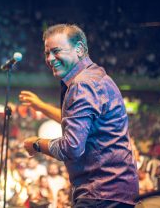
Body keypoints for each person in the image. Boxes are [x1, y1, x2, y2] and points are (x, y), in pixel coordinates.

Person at [19, 24, 138, 207]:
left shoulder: (82, 85)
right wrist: (41, 106)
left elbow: (72, 147)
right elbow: (79, 123)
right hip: (115, 191)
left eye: (56, 51)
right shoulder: (95, 76)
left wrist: (37, 144)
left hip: (101, 192)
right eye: (47, 53)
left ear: (80, 49)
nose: (50, 59)